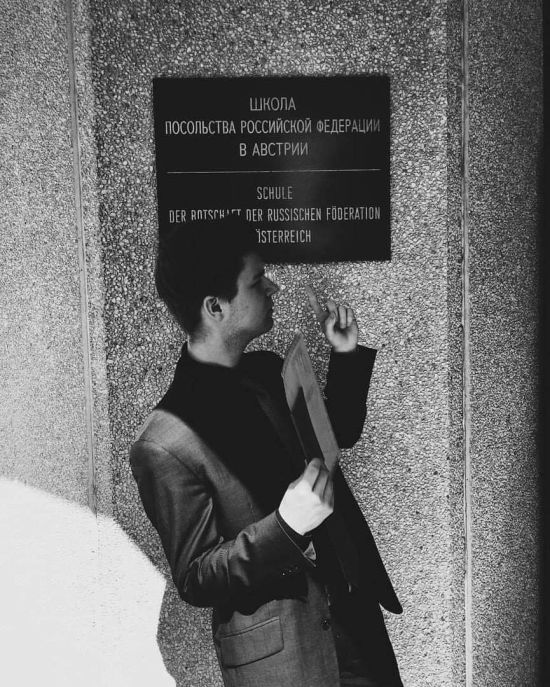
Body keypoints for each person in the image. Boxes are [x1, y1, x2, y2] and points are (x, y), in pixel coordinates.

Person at [130, 219, 403, 687]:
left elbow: (333, 437)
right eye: (257, 281)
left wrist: (345, 354)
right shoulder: (163, 443)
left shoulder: (269, 371)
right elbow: (196, 576)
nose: (274, 287)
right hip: (284, 663)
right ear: (215, 307)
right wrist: (286, 527)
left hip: (358, 629)